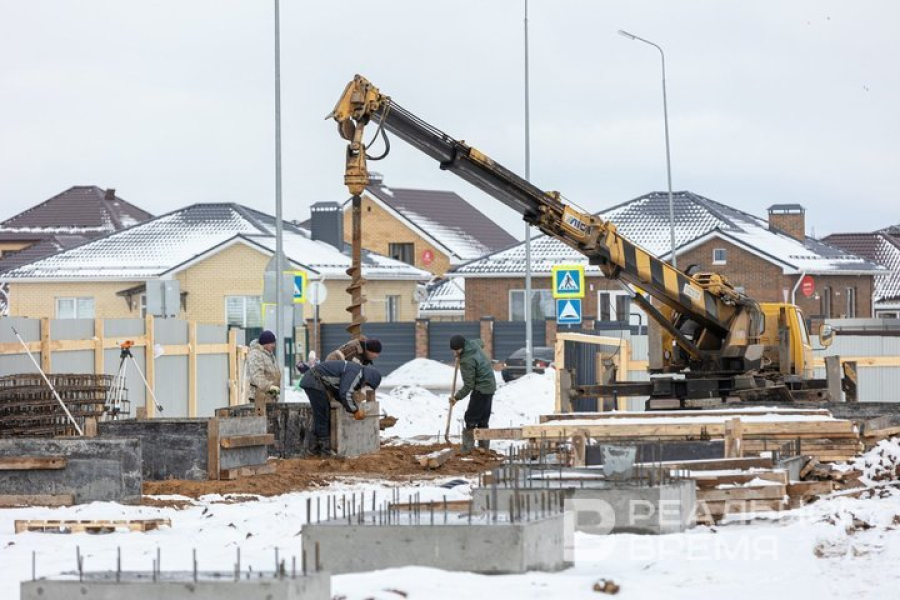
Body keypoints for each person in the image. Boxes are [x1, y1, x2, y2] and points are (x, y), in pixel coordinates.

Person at [300, 360, 382, 456]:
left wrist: (347, 405)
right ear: (368, 378)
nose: (365, 386)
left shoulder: (355, 370)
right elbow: (345, 393)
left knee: (321, 415)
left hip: (314, 380)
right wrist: (355, 411)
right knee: (323, 414)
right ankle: (324, 451)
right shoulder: (356, 373)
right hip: (313, 380)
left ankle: (313, 449)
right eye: (367, 384)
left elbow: (339, 391)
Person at [448, 334, 496, 454]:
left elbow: (469, 385)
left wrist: (456, 397)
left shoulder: (466, 362)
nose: (455, 353)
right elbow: (482, 341)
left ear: (462, 347)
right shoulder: (473, 344)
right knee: (483, 420)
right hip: (490, 385)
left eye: (457, 351)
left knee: (471, 419)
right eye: (453, 351)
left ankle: (467, 450)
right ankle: (484, 449)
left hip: (481, 388)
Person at [247, 330, 281, 416]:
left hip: (269, 397)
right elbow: (257, 377)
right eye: (271, 343)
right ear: (265, 343)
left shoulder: (268, 354)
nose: (274, 345)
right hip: (259, 398)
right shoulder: (256, 355)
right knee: (261, 425)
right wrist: (270, 387)